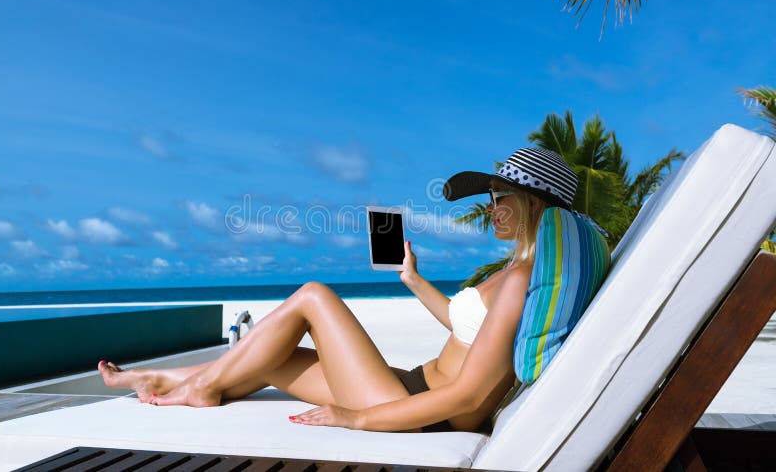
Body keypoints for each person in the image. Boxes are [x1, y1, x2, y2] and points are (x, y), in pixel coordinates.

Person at [97, 147, 588, 434]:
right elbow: (472, 335)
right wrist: (413, 280)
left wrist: (357, 420)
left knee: (314, 296)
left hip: (422, 412)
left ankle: (198, 388)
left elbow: (468, 395)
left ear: (536, 203)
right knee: (275, 356)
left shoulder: (524, 280)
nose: (491, 207)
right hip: (412, 384)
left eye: (502, 197)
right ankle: (164, 379)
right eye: (491, 197)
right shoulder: (511, 272)